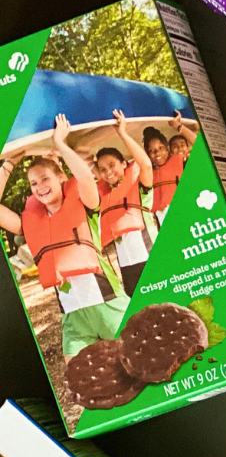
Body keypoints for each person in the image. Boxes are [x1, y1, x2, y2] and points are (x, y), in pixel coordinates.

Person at [0, 115, 128, 363]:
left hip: (109, 304)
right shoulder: (29, 222)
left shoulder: (87, 203)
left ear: (60, 178)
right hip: (73, 317)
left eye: (45, 178)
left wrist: (60, 143)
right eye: (33, 183)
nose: (39, 187)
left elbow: (84, 177)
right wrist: (8, 165)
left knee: (140, 370)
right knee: (81, 388)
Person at [95, 109, 155, 295]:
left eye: (112, 165)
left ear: (124, 164)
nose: (108, 172)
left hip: (149, 257)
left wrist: (122, 133)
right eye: (102, 169)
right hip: (127, 266)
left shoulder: (140, 186)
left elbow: (145, 164)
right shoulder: (107, 194)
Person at [144, 111, 196, 225]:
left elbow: (198, 145)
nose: (157, 153)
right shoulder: (147, 172)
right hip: (162, 218)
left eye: (160, 148)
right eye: (152, 151)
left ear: (167, 148)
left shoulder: (181, 162)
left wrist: (178, 126)